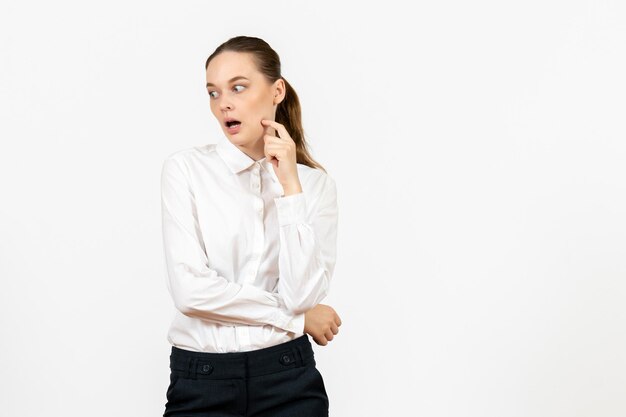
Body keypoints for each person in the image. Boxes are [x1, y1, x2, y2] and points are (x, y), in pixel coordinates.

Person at [160, 35, 342, 417]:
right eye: (213, 92)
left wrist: (290, 189)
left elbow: (303, 294)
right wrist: (295, 319)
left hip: (288, 379)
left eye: (238, 87)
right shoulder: (186, 170)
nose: (223, 102)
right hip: (201, 380)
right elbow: (191, 292)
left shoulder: (314, 186)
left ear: (276, 91)